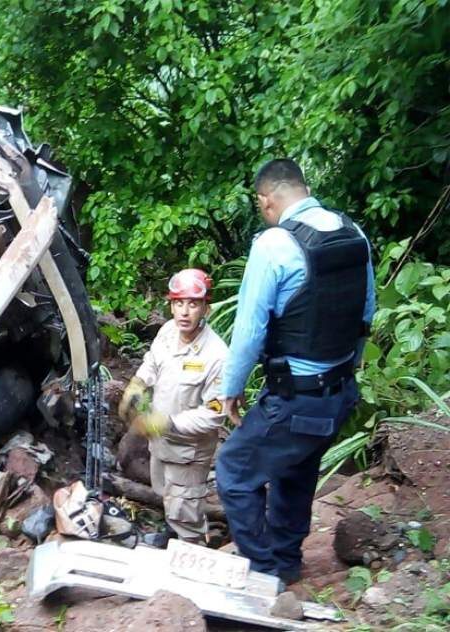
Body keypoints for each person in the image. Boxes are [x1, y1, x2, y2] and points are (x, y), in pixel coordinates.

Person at [216, 159, 375, 584]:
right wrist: (348, 366)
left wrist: (230, 388)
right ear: (304, 187)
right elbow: (366, 314)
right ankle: (286, 562)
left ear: (265, 201)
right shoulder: (352, 232)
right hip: (340, 394)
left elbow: (250, 330)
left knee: (233, 472)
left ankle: (265, 575)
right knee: (296, 466)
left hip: (297, 397)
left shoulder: (274, 244)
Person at [119, 268, 229, 545]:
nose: (184, 312)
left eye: (192, 304)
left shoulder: (216, 355)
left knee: (185, 507)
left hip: (189, 451)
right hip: (160, 443)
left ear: (206, 307)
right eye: (178, 303)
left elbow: (214, 415)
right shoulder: (169, 331)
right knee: (167, 494)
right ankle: (181, 531)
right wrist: (137, 383)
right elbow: (153, 361)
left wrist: (167, 424)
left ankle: (193, 548)